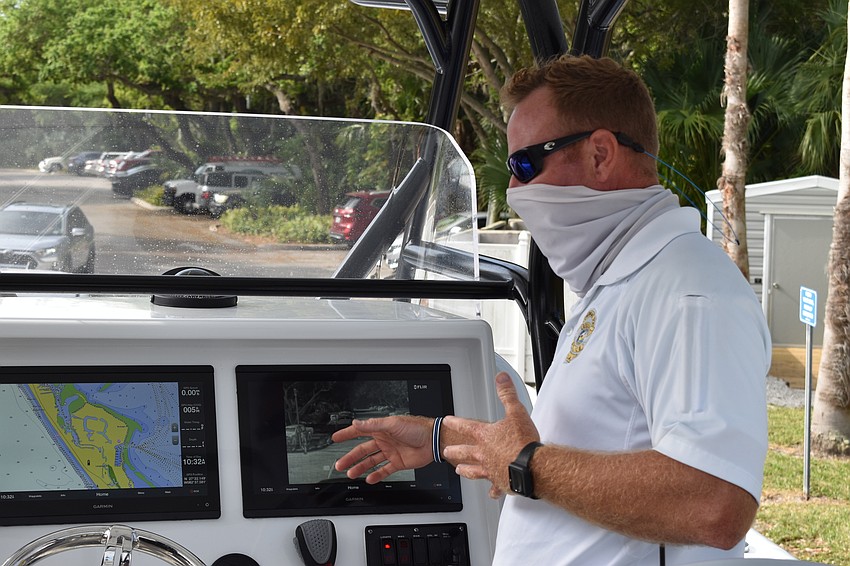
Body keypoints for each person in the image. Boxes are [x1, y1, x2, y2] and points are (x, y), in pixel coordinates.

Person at [332, 55, 770, 566]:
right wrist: (443, 436)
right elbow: (592, 442)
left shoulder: (689, 292)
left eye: (525, 163)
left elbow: (714, 503)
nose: (515, 189)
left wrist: (523, 465)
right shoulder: (621, 282)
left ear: (601, 154)